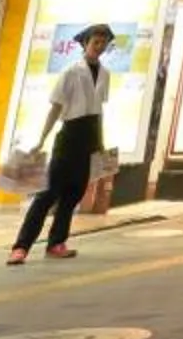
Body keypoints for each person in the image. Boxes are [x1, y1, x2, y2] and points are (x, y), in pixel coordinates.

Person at [9, 23, 112, 264]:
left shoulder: (105, 74)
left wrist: (102, 144)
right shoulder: (70, 72)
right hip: (70, 134)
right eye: (95, 42)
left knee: (73, 194)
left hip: (90, 135)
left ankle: (57, 243)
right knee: (47, 194)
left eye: (103, 42)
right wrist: (41, 139)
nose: (99, 46)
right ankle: (21, 246)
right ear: (85, 44)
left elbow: (99, 111)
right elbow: (56, 106)